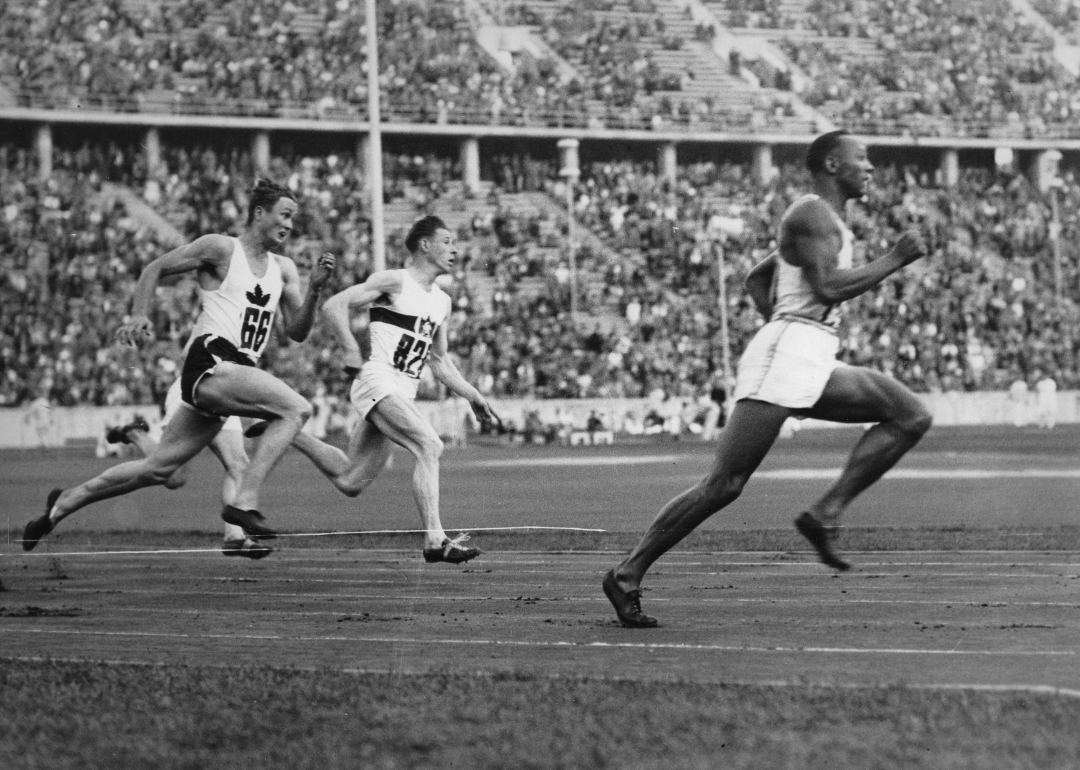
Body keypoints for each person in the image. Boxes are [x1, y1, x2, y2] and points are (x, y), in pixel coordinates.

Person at [602, 130, 932, 628]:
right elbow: (825, 286)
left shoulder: (828, 220)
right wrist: (894, 259)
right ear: (831, 163)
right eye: (860, 158)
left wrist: (782, 325)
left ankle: (824, 514)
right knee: (724, 484)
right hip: (793, 348)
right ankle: (627, 573)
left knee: (910, 415)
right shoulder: (811, 213)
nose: (870, 167)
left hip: (808, 348)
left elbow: (758, 278)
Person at [22, 179, 335, 552]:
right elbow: (155, 267)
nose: (289, 226)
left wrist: (315, 290)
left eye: (294, 219)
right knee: (296, 408)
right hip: (212, 362)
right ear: (259, 213)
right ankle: (243, 503)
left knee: (157, 470)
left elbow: (296, 332)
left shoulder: (284, 270)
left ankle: (58, 508)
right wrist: (139, 315)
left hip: (233, 378)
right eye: (284, 215)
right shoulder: (220, 249)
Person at [247, 216, 501, 563]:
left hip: (401, 392)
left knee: (351, 481)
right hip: (378, 380)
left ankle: (288, 431)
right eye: (446, 241)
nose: (454, 249)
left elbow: (439, 361)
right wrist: (351, 349)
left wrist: (473, 395)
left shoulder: (442, 301)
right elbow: (334, 305)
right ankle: (434, 539)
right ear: (424, 245)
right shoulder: (394, 282)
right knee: (430, 445)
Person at [104, 379, 270, 558]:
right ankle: (134, 434)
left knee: (239, 465)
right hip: (194, 389)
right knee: (174, 476)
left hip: (223, 393)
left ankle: (234, 536)